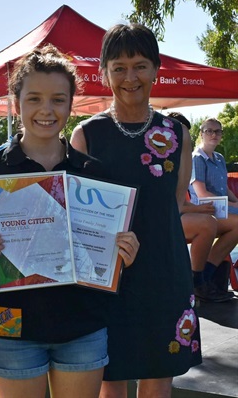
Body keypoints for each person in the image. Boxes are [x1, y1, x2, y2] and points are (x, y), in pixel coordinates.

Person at [0, 44, 140, 398]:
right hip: (12, 327)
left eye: (58, 99)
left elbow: (107, 261)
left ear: (71, 104)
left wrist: (124, 254)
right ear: (16, 103)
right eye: (34, 99)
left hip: (82, 326)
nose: (46, 110)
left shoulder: (94, 174)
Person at [71, 24, 201, 397]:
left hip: (166, 272)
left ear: (157, 69)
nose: (131, 77)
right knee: (111, 382)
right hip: (109, 280)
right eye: (119, 67)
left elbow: (176, 201)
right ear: (103, 73)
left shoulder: (177, 134)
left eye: (141, 65)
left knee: (160, 379)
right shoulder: (87, 135)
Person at [168, 112, 233, 302]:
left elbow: (179, 201)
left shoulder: (183, 160)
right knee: (208, 223)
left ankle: (203, 278)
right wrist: (197, 209)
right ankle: (198, 281)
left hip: (179, 213)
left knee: (213, 222)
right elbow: (174, 203)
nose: (181, 139)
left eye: (183, 134)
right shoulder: (182, 160)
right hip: (160, 220)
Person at [188, 117, 238, 298]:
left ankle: (205, 277)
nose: (214, 134)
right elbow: (201, 194)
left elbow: (224, 188)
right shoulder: (196, 158)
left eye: (218, 131)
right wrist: (233, 205)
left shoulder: (219, 158)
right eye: (209, 130)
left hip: (222, 208)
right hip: (204, 210)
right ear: (201, 134)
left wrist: (236, 202)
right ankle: (203, 278)